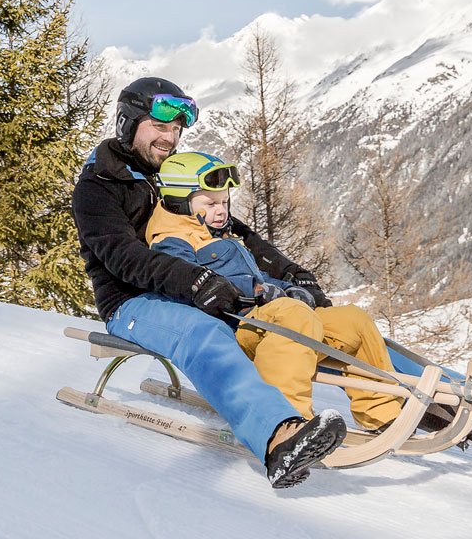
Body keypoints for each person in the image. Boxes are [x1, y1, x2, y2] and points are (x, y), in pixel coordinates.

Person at [72, 77, 346, 489]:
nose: (170, 138)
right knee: (206, 335)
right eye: (159, 127)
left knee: (332, 322)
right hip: (133, 302)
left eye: (176, 130)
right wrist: (195, 280)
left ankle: (439, 403)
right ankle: (277, 437)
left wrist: (291, 273)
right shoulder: (98, 187)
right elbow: (122, 257)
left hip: (193, 290)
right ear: (128, 124)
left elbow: (238, 233)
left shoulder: (173, 178)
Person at [146, 151, 405, 432]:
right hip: (235, 331)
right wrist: (257, 291)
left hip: (268, 322)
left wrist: (288, 288)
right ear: (179, 202)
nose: (221, 210)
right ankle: (287, 423)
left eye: (224, 201)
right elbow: (189, 285)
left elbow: (257, 276)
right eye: (210, 203)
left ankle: (382, 414)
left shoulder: (219, 234)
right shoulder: (171, 243)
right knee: (293, 317)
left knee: (352, 320)